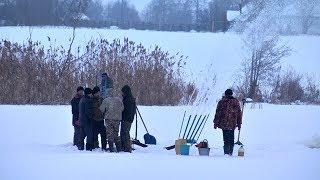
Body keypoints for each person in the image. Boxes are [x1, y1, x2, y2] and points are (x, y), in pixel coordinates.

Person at [213, 89, 242, 156]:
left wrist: (215, 123)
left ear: (225, 94)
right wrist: (239, 123)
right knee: (231, 138)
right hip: (232, 124)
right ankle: (230, 152)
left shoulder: (221, 102)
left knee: (226, 139)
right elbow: (239, 113)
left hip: (224, 124)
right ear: (231, 94)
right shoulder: (235, 102)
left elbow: (218, 113)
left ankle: (226, 152)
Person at [120, 85, 136, 153]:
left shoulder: (128, 99)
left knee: (125, 133)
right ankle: (124, 146)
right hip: (129, 119)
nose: (122, 93)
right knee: (124, 133)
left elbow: (126, 110)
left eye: (123, 92)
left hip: (126, 119)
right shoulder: (130, 98)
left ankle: (127, 148)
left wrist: (123, 116)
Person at [92, 86, 107, 151]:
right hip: (94, 120)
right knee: (94, 135)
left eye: (99, 92)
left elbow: (105, 109)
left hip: (101, 120)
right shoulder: (91, 100)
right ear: (94, 93)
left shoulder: (102, 99)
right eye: (96, 93)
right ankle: (96, 147)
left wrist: (104, 116)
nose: (98, 94)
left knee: (103, 134)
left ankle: (104, 147)